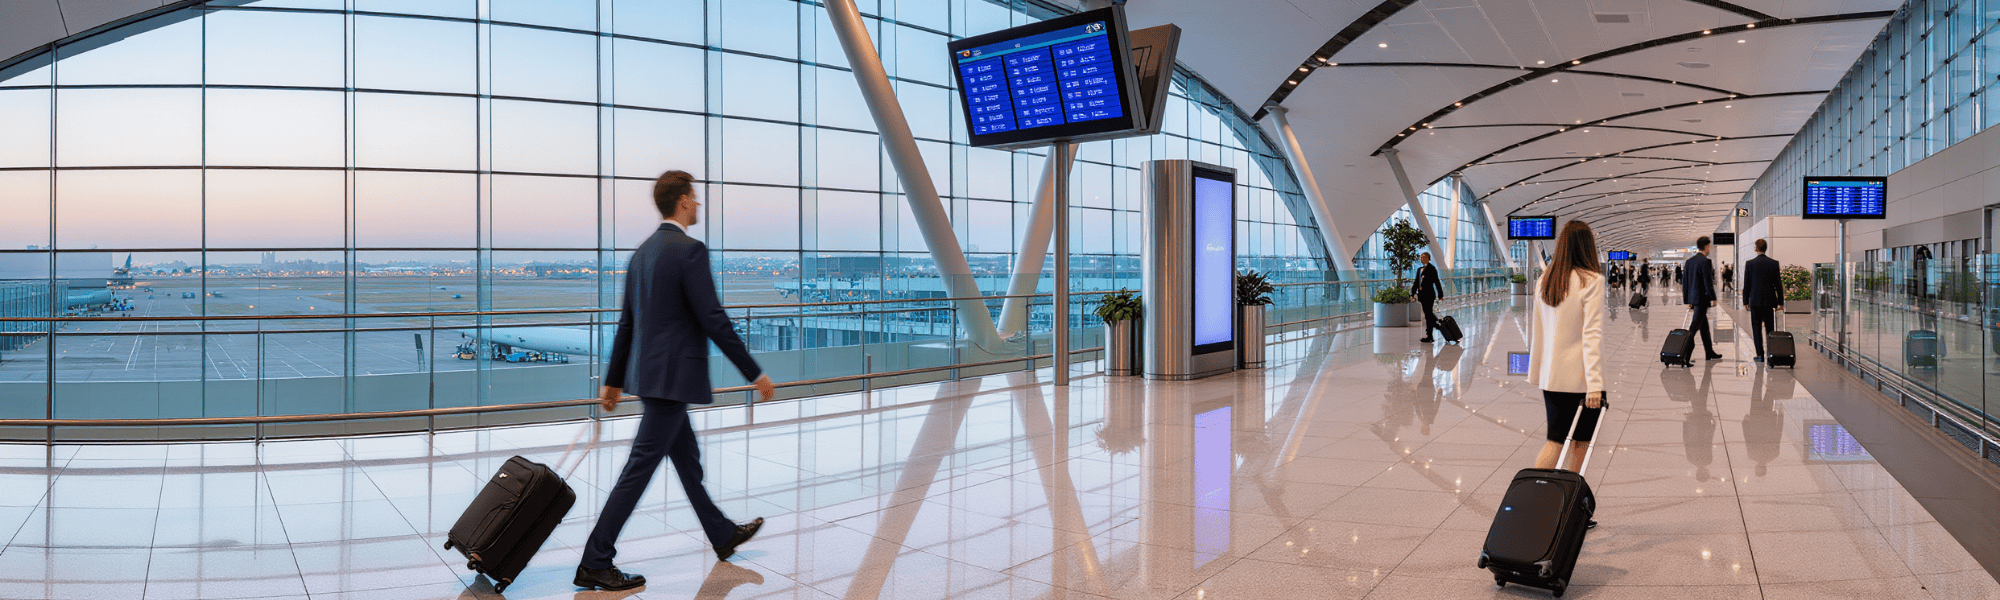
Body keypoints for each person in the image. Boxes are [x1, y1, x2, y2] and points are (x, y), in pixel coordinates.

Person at [576, 170, 779, 592]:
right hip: (673, 379)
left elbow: (627, 324)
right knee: (638, 469)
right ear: (683, 200)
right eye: (695, 197)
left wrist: (614, 381)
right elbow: (713, 319)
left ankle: (722, 534)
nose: (698, 204)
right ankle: (595, 560)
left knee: (687, 460)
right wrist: (753, 371)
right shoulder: (689, 251)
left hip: (651, 377)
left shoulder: (642, 254)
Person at [1527, 220, 1607, 472]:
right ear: (1587, 247)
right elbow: (1591, 335)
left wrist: (1537, 372)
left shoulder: (1545, 280)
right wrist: (1595, 384)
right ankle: (1568, 493)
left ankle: (1536, 490)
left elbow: (1538, 330)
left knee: (1555, 440)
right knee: (1580, 442)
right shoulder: (1591, 281)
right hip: (1581, 379)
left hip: (1552, 377)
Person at [1683, 236, 1724, 362]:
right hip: (1701, 300)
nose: (1709, 248)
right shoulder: (1705, 261)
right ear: (1706, 246)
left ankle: (1709, 352)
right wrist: (1713, 297)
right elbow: (1708, 282)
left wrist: (1688, 299)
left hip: (1693, 299)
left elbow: (1685, 282)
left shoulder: (1689, 262)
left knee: (1704, 327)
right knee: (1693, 328)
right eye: (1709, 246)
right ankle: (1685, 354)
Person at [1742, 238, 1782, 362]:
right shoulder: (1774, 263)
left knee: (1756, 328)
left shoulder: (1750, 264)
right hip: (1769, 302)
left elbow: (1747, 285)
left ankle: (1760, 355)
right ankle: (1771, 354)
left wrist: (1745, 301)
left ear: (1756, 248)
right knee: (1770, 329)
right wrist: (1780, 302)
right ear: (1766, 248)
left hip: (1755, 302)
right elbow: (1778, 285)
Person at [1413, 252, 1445, 343]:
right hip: (1421, 295)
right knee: (1428, 313)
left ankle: (1430, 335)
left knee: (1428, 314)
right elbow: (1416, 282)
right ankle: (1435, 324)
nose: (1422, 259)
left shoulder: (1432, 269)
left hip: (1429, 295)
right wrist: (1412, 293)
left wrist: (1440, 294)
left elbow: (1437, 282)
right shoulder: (1419, 270)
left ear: (1428, 258)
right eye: (1421, 257)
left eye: (1424, 257)